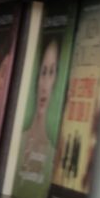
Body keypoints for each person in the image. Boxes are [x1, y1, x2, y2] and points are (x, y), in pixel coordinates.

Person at [15, 36, 61, 187]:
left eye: (51, 72)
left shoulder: (55, 157)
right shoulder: (16, 142)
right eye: (43, 72)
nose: (45, 85)